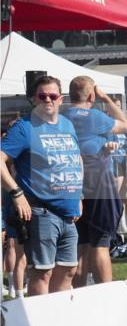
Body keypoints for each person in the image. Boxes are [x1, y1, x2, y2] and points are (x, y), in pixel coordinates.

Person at [0, 76, 83, 294]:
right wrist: (16, 194)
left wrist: (79, 195)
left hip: (68, 213)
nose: (48, 99)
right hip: (41, 211)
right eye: (42, 96)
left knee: (68, 270)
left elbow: (76, 159)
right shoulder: (24, 127)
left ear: (60, 99)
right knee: (42, 271)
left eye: (52, 96)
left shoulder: (67, 124)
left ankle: (57, 320)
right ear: (34, 99)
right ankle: (38, 321)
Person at [62, 76, 127, 286]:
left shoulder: (61, 116)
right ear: (91, 94)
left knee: (79, 245)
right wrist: (105, 98)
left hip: (71, 181)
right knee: (101, 243)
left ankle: (78, 295)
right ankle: (106, 295)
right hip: (98, 183)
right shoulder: (95, 116)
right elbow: (126, 125)